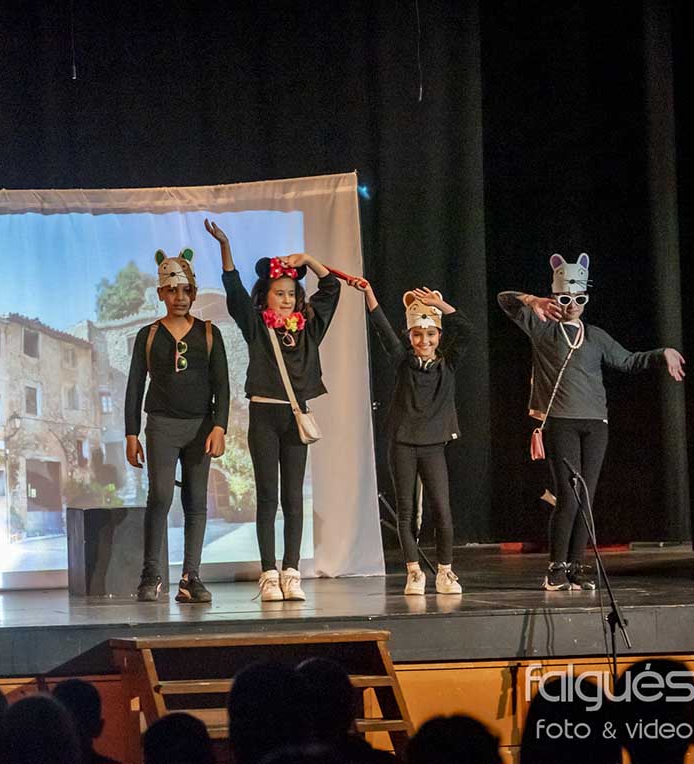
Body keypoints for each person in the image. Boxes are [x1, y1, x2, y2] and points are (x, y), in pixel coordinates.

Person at [497, 253, 684, 590]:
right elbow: (504, 300)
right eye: (565, 298)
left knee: (585, 497)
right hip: (561, 422)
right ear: (555, 297)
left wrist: (662, 353)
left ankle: (576, 566)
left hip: (596, 423)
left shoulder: (595, 336)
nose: (572, 305)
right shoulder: (542, 329)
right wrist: (533, 300)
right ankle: (556, 569)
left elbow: (628, 361)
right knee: (568, 497)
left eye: (579, 299)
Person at [208, 219, 341, 601]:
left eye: (290, 293)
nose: (285, 299)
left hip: (295, 418)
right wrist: (225, 247)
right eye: (278, 293)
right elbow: (234, 290)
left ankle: (291, 572)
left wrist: (309, 259)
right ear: (265, 296)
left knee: (294, 498)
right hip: (264, 416)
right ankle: (269, 574)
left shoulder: (309, 327)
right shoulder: (256, 326)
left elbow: (331, 288)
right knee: (268, 496)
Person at [125, 248, 230, 603]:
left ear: (194, 293)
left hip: (200, 428)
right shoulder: (148, 334)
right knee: (160, 497)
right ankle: (151, 575)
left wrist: (220, 426)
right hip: (161, 426)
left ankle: (190, 577)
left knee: (196, 501)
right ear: (161, 294)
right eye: (172, 291)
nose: (180, 297)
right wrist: (131, 433)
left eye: (186, 291)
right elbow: (134, 385)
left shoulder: (210, 334)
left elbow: (222, 385)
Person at [356, 282, 470, 595]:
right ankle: (414, 572)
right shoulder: (403, 361)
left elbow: (466, 329)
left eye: (431, 334)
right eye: (418, 335)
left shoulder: (447, 364)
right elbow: (382, 329)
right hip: (403, 443)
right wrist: (369, 293)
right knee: (406, 511)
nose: (424, 341)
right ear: (409, 336)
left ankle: (445, 571)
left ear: (439, 336)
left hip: (433, 446)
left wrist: (440, 305)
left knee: (442, 510)